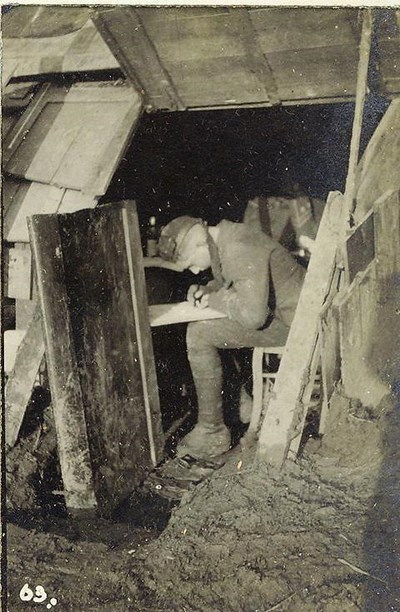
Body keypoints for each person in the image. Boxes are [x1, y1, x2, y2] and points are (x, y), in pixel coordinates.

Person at [158, 204, 306, 459]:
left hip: (297, 324)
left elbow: (252, 316)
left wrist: (215, 301)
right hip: (285, 314)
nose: (195, 271)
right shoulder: (224, 238)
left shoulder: (238, 247)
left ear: (199, 245)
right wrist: (209, 289)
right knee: (207, 331)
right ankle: (241, 406)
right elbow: (233, 280)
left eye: (191, 263)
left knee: (200, 334)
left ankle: (212, 432)